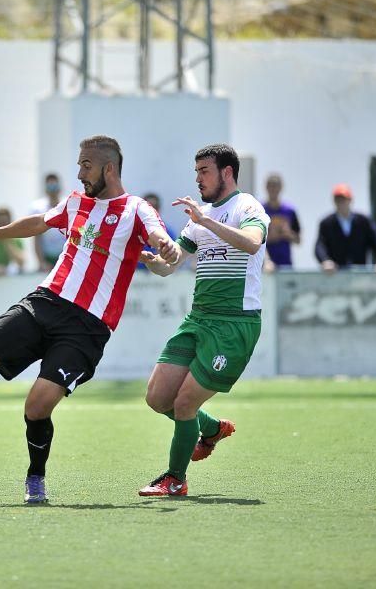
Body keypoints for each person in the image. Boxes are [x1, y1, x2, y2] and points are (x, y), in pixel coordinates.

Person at [0, 135, 181, 504]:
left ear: (109, 168)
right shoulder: (74, 202)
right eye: (79, 164)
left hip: (87, 327)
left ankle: (35, 478)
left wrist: (166, 246)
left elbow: (159, 237)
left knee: (37, 405)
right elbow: (39, 222)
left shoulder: (135, 208)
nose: (80, 172)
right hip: (46, 302)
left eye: (86, 165)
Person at [137, 144, 269, 497]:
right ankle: (210, 429)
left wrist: (205, 221)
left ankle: (175, 480)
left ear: (227, 172)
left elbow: (253, 244)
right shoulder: (201, 217)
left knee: (183, 404)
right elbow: (173, 261)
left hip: (234, 324)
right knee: (157, 398)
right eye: (196, 172)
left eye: (204, 171)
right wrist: (157, 261)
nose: (197, 179)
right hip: (199, 319)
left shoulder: (247, 207)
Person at [315, 183, 376, 274]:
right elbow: (320, 246)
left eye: (344, 199)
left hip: (360, 275)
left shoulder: (363, 221)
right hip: (335, 276)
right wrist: (325, 261)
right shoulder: (327, 223)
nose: (341, 203)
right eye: (338, 200)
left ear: (350, 200)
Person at [261, 173, 300, 272]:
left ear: (281, 188)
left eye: (276, 186)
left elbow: (298, 240)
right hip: (265, 266)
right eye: (271, 186)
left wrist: (287, 234)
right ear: (266, 188)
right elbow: (256, 240)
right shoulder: (259, 210)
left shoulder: (289, 211)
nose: (273, 189)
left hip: (285, 264)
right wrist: (272, 235)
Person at [30, 173, 67, 272]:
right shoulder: (37, 208)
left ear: (59, 187)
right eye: (50, 187)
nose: (53, 190)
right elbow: (37, 237)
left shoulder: (68, 204)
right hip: (47, 258)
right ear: (46, 189)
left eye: (54, 186)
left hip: (65, 256)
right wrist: (41, 262)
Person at [136, 192, 179, 271]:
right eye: (147, 208)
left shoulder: (168, 233)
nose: (150, 211)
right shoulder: (132, 231)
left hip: (160, 278)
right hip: (134, 275)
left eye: (154, 207)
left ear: (158, 209)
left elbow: (174, 260)